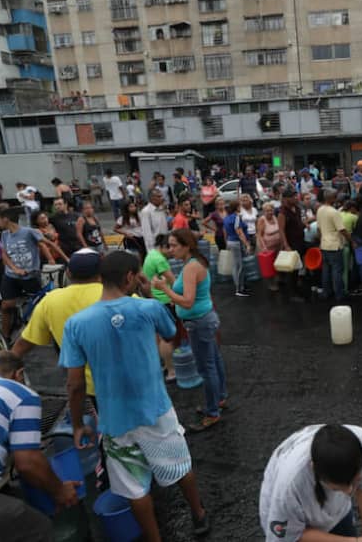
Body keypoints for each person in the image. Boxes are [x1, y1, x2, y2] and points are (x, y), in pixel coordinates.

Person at [60, 251, 210, 540]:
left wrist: (78, 424)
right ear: (130, 277)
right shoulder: (148, 308)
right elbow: (171, 333)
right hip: (156, 409)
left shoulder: (76, 324)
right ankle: (199, 514)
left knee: (134, 488)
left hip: (115, 420)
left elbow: (75, 384)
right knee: (180, 465)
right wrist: (147, 292)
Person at [0, 352, 80, 541]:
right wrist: (60, 491)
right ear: (19, 374)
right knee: (38, 528)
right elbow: (28, 463)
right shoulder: (20, 393)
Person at [153, 229, 227, 432]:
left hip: (199, 323)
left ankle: (212, 412)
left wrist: (165, 289)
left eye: (174, 245)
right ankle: (219, 399)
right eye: (169, 245)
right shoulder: (194, 263)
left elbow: (187, 301)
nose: (170, 249)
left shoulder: (191, 267)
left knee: (206, 368)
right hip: (205, 319)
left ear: (186, 246)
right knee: (214, 361)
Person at [11, 249, 104, 404]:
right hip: (127, 384)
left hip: (83, 387)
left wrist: (3, 373)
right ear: (102, 273)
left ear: (68, 273)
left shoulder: (50, 301)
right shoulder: (120, 296)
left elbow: (23, 344)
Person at [259, 424, 362, 542]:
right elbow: (291, 536)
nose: (349, 491)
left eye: (355, 481)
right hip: (288, 516)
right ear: (314, 468)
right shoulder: (288, 488)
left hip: (334, 507)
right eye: (336, 488)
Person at [0, 207, 61, 342]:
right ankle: (5, 336)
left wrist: (63, 259)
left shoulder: (29, 232)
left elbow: (48, 244)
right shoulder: (4, 234)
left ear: (6, 219)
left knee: (41, 305)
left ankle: (50, 331)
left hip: (30, 275)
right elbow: (4, 254)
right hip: (11, 276)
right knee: (6, 305)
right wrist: (15, 269)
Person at [141, 233, 180, 382]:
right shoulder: (160, 260)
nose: (173, 251)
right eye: (171, 247)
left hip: (154, 299)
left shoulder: (152, 254)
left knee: (159, 335)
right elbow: (174, 282)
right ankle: (172, 371)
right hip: (164, 300)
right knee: (167, 337)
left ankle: (165, 365)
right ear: (164, 246)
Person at [318, 189, 352, 302]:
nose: (337, 199)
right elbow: (342, 230)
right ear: (331, 198)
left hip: (324, 244)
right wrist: (352, 241)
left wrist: (321, 240)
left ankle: (326, 292)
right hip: (334, 245)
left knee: (326, 270)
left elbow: (319, 229)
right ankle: (339, 295)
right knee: (337, 271)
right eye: (335, 197)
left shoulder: (320, 209)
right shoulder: (334, 212)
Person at [278, 188, 307, 301]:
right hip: (291, 243)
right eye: (293, 196)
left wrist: (304, 224)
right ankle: (292, 293)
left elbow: (299, 223)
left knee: (298, 266)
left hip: (300, 241)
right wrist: (286, 246)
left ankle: (295, 286)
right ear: (286, 199)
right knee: (292, 269)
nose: (296, 198)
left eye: (296, 195)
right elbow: (281, 230)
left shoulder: (297, 208)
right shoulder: (283, 213)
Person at [223, 199, 251, 297]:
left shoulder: (226, 218)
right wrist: (247, 244)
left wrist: (226, 242)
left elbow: (225, 231)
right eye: (240, 206)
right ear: (237, 207)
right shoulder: (236, 217)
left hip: (231, 241)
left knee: (237, 265)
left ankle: (241, 286)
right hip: (236, 242)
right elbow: (239, 232)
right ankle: (239, 289)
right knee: (239, 266)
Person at [257, 201, 282, 290]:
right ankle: (271, 284)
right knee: (269, 266)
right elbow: (259, 235)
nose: (270, 212)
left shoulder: (275, 217)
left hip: (277, 245)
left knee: (277, 263)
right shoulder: (262, 220)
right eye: (267, 211)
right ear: (264, 211)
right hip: (267, 247)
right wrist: (264, 247)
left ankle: (277, 280)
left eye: (271, 210)